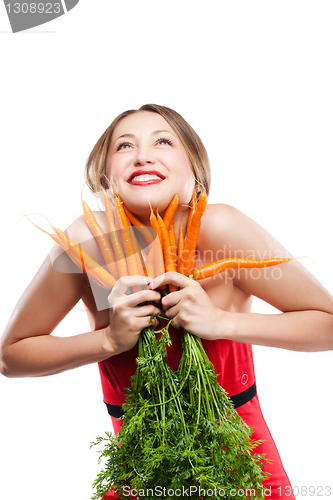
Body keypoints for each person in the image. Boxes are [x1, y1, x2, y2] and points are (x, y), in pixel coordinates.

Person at [1, 104, 333, 499]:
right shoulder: (86, 244)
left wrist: (221, 322)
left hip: (239, 463)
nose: (142, 154)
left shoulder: (221, 227)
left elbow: (327, 323)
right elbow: (12, 355)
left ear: (193, 165)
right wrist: (109, 341)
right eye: (124, 146)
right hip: (139, 469)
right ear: (105, 174)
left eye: (162, 141)